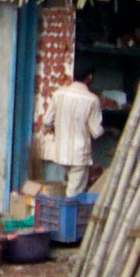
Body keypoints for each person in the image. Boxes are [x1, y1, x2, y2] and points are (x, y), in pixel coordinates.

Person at [42, 64, 103, 198]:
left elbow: (46, 121)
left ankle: (63, 207)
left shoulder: (59, 94)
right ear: (90, 77)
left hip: (60, 152)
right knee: (74, 193)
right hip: (79, 155)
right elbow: (96, 132)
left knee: (68, 184)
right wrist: (108, 130)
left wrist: (50, 130)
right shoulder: (92, 99)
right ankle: (67, 211)